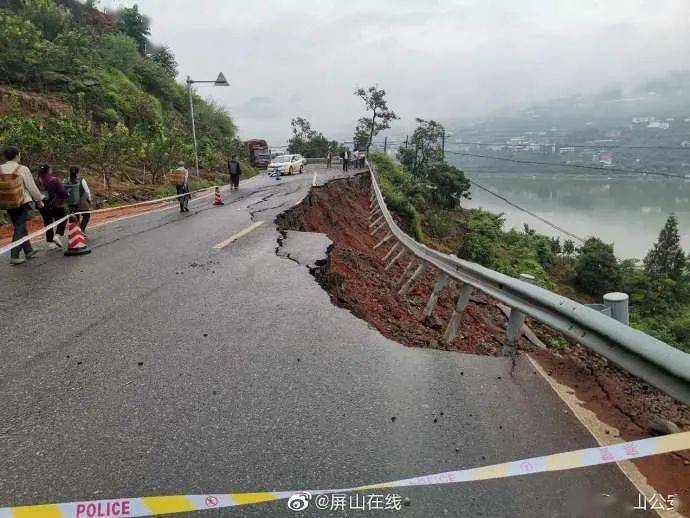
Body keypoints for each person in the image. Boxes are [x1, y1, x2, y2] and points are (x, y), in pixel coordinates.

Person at [1, 146, 44, 264]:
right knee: (20, 227)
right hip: (21, 202)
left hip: (7, 203)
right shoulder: (22, 169)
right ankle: (14, 255)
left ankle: (28, 250)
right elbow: (31, 186)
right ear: (17, 155)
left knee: (20, 225)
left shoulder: (1, 169)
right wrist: (39, 200)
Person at [37, 164, 69, 249]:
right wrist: (67, 194)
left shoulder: (36, 180)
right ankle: (57, 235)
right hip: (55, 204)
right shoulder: (55, 180)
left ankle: (50, 242)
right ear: (49, 170)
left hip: (42, 205)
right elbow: (62, 192)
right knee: (63, 218)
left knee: (47, 222)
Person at [66, 166, 92, 232]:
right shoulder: (81, 180)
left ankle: (74, 233)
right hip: (82, 203)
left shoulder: (66, 180)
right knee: (86, 216)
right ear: (77, 172)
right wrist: (89, 199)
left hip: (71, 203)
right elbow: (87, 191)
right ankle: (81, 230)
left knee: (74, 218)